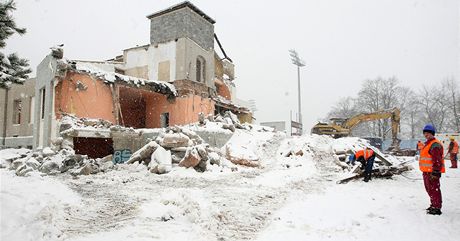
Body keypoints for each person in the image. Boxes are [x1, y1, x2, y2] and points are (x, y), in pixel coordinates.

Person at [419, 124, 445, 215]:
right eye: (425, 133)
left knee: (434, 190)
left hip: (432, 172)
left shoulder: (435, 145)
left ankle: (437, 207)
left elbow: (437, 160)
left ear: (432, 134)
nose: (426, 135)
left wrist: (436, 172)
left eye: (428, 133)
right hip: (426, 172)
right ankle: (433, 204)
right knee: (430, 189)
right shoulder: (427, 144)